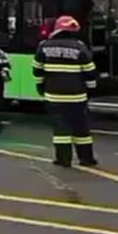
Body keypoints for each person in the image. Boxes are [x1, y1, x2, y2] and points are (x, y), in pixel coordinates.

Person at [32, 15, 99, 167]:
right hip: (77, 97)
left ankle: (63, 160)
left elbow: (37, 70)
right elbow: (90, 72)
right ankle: (86, 159)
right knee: (81, 129)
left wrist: (41, 88)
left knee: (61, 128)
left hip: (54, 96)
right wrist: (90, 91)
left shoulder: (44, 46)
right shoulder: (80, 47)